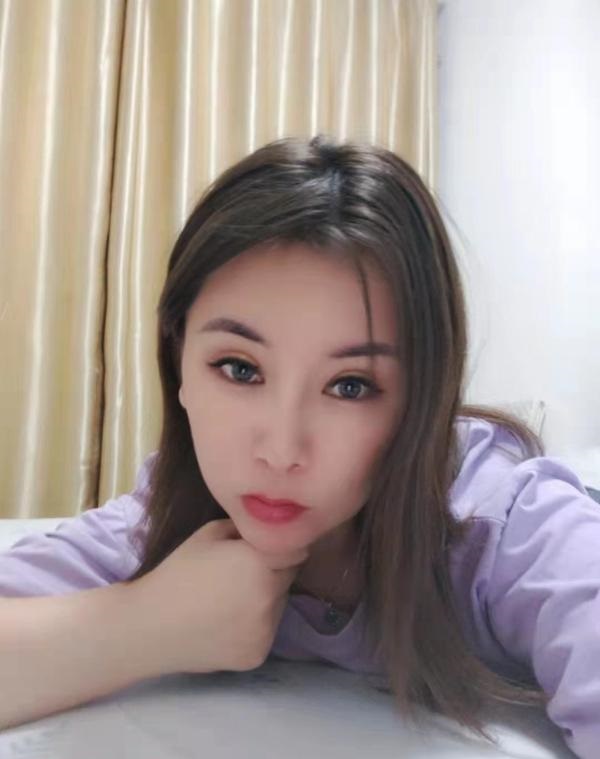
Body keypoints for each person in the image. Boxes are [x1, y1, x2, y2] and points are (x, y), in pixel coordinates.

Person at [0, 136, 598, 758]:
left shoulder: (508, 528)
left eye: (350, 385)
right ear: (179, 364)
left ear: (421, 398)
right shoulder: (172, 522)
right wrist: (144, 625)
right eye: (239, 369)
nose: (281, 451)